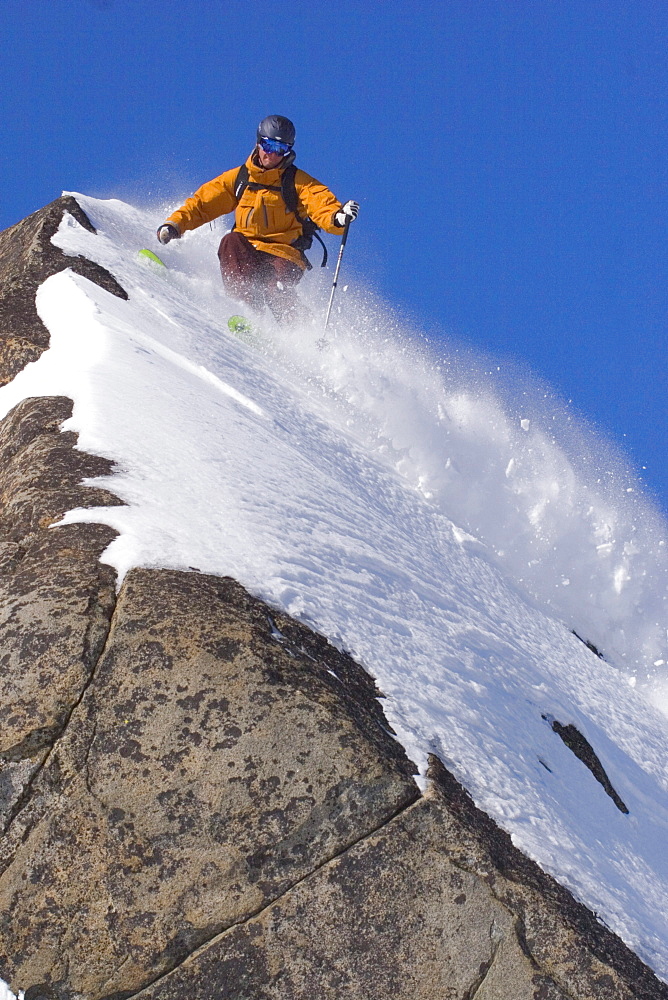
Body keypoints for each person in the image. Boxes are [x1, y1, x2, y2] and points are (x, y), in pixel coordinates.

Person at [157, 115, 359, 322]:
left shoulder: (298, 182)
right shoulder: (240, 178)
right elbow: (203, 203)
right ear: (258, 142)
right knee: (230, 241)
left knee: (275, 287)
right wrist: (175, 224)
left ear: (288, 151)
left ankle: (300, 330)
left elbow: (321, 204)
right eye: (268, 145)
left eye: (280, 149)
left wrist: (337, 217)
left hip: (284, 253)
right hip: (248, 247)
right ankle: (245, 313)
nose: (271, 154)